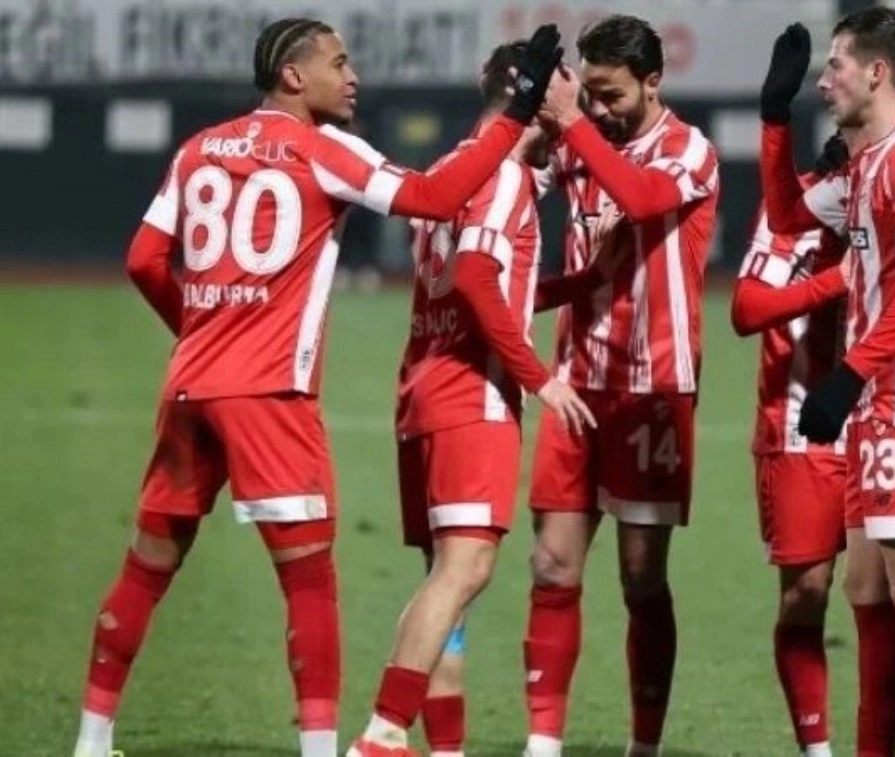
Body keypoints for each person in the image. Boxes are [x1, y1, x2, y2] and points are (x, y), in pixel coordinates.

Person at [73, 18, 565, 757]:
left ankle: (91, 739)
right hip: (271, 394)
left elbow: (144, 259)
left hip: (189, 389)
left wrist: (199, 331)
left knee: (147, 566)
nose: (353, 76)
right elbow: (435, 196)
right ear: (294, 76)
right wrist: (518, 114)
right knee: (308, 582)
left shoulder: (199, 147)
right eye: (340, 62)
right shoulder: (324, 147)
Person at [348, 39, 595, 757]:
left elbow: (487, 283)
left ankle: (439, 747)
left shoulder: (452, 169)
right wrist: (540, 378)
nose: (572, 118)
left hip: (423, 387)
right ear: (536, 103)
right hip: (469, 394)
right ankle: (382, 734)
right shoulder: (505, 177)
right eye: (566, 100)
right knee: (467, 569)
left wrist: (583, 282)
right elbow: (479, 282)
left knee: (447, 582)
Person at [759, 9, 895, 754]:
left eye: (836, 66)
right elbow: (787, 217)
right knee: (868, 591)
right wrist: (774, 119)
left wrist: (850, 373)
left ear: (877, 72)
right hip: (878, 400)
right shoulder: (868, 162)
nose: (824, 81)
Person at [519, 14, 720, 757]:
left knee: (640, 578)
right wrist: (524, 122)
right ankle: (543, 744)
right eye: (592, 93)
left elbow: (638, 199)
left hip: (653, 387)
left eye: (613, 95)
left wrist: (574, 124)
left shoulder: (687, 149)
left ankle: (644, 744)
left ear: (653, 81)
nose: (601, 108)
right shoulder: (578, 137)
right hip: (576, 381)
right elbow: (508, 182)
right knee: (552, 565)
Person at [729, 132, 856, 757]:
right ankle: (817, 749)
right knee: (807, 594)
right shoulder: (794, 207)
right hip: (802, 428)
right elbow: (747, 309)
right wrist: (836, 281)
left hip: (890, 424)